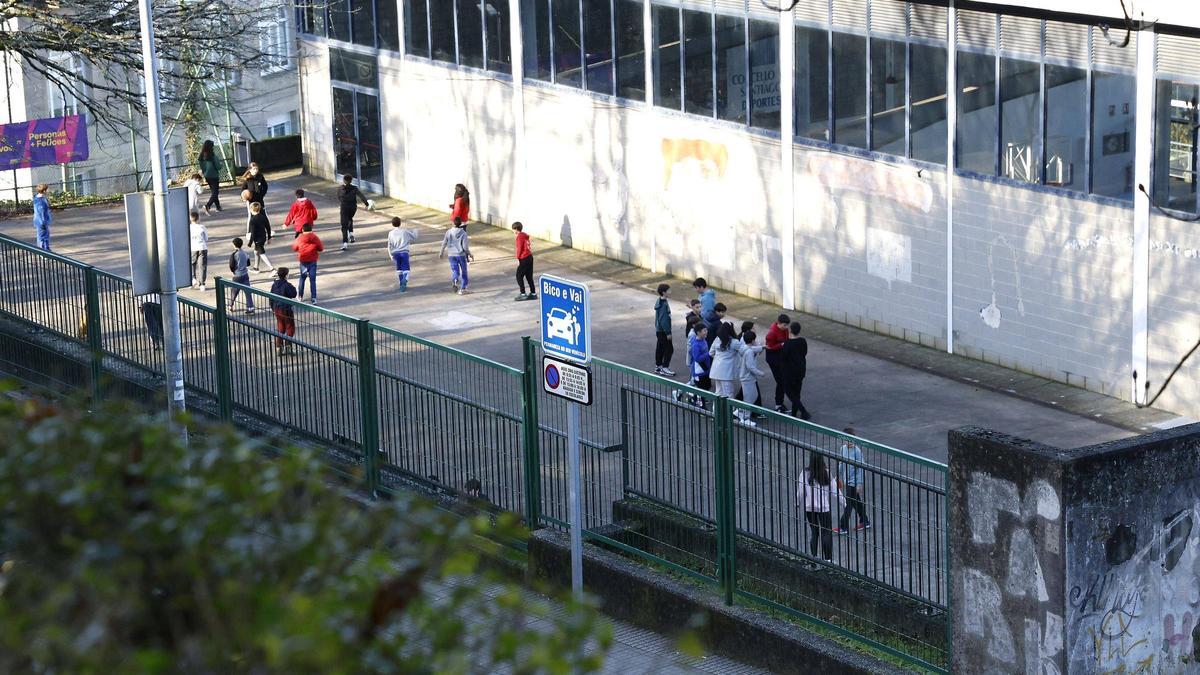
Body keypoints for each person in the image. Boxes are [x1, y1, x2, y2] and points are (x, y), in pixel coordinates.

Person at [797, 452, 844, 563]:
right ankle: (828, 559)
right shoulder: (826, 473)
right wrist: (845, 504)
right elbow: (835, 492)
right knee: (826, 532)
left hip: (809, 507)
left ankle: (814, 557)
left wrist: (797, 503)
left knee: (814, 532)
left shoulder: (804, 473)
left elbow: (800, 491)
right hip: (823, 507)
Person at [709, 324, 753, 426]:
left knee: (718, 393)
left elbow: (711, 353)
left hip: (716, 371)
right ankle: (729, 416)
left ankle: (716, 414)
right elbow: (745, 350)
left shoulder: (717, 340)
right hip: (726, 373)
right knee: (729, 395)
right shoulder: (734, 342)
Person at [835, 428, 871, 534]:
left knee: (849, 504)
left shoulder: (857, 451)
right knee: (856, 502)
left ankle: (843, 526)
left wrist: (859, 483)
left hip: (853, 481)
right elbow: (841, 463)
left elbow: (861, 468)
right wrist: (838, 475)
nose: (848, 442)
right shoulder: (843, 448)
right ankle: (865, 521)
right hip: (847, 480)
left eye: (850, 439)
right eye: (846, 439)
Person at [781, 321, 812, 420]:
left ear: (790, 330)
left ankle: (803, 411)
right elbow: (804, 352)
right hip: (801, 369)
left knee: (789, 392)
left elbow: (784, 358)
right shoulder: (803, 341)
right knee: (797, 392)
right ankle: (794, 413)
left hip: (790, 372)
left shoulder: (787, 344)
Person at [439, 217, 474, 295]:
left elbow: (444, 243)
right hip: (461, 255)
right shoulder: (463, 233)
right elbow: (465, 247)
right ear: (461, 224)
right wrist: (470, 254)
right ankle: (463, 289)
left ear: (453, 223)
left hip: (451, 255)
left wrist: (441, 252)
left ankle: (455, 279)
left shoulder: (448, 232)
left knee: (455, 270)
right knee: (464, 272)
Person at [291, 223, 324, 304]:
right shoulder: (315, 237)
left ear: (302, 230)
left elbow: (294, 248)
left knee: (302, 278)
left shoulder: (299, 238)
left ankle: (300, 296)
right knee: (312, 280)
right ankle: (313, 298)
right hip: (312, 260)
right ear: (311, 229)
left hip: (303, 261)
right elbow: (321, 248)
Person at [764, 314, 790, 413]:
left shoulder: (784, 330)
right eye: (784, 325)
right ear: (778, 323)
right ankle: (778, 405)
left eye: (787, 325)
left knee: (782, 381)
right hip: (773, 360)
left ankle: (780, 403)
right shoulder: (772, 334)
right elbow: (769, 347)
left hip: (780, 358)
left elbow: (786, 339)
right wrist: (782, 345)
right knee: (781, 381)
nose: (786, 327)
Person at [269, 267, 298, 357]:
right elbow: (293, 294)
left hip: (277, 309)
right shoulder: (286, 285)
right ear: (286, 275)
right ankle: (288, 347)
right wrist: (291, 286)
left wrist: (273, 308)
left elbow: (271, 297)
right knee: (290, 327)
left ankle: (279, 347)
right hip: (286, 309)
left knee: (281, 327)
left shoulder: (274, 285)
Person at [336, 173, 370, 251]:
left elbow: (338, 197)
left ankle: (345, 243)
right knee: (350, 218)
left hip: (344, 208)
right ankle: (351, 234)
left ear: (343, 180)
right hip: (353, 208)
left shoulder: (340, 189)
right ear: (351, 181)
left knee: (344, 226)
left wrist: (342, 201)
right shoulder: (354, 188)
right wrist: (366, 203)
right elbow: (361, 196)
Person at [739, 330, 767, 419]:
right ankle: (744, 416)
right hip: (747, 378)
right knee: (749, 398)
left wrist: (763, 347)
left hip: (747, 377)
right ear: (752, 341)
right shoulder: (749, 352)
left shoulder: (745, 348)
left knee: (753, 396)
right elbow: (750, 367)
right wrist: (761, 373)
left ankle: (740, 413)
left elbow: (754, 349)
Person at [387, 216, 418, 292]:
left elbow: (389, 245)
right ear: (400, 223)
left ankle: (401, 284)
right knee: (406, 269)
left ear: (392, 224)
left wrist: (390, 255)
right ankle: (405, 280)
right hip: (404, 252)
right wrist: (415, 230)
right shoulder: (404, 231)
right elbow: (414, 237)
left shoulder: (390, 233)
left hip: (395, 254)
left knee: (399, 269)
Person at [227, 238, 255, 314]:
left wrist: (234, 271)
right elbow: (248, 263)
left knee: (234, 291)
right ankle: (250, 308)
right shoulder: (245, 253)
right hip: (245, 275)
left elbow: (231, 265)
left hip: (237, 275)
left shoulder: (234, 254)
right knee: (248, 292)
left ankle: (230, 305)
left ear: (234, 245)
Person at [653, 283, 675, 376]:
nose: (671, 292)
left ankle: (658, 366)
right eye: (669, 290)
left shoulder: (660, 302)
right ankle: (665, 367)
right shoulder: (663, 305)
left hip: (659, 330)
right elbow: (664, 320)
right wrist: (668, 332)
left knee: (660, 348)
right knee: (669, 349)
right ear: (664, 292)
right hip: (663, 331)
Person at [246, 202, 273, 272]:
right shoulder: (263, 217)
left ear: (251, 210)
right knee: (256, 252)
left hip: (257, 239)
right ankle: (256, 268)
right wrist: (269, 237)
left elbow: (253, 233)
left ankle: (272, 269)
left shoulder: (252, 220)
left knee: (262, 254)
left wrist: (250, 243)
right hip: (263, 237)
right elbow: (268, 227)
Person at [198, 140, 222, 213]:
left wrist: (205, 173)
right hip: (214, 175)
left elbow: (202, 167)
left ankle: (218, 207)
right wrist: (221, 165)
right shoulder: (213, 156)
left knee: (213, 192)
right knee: (215, 192)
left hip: (207, 176)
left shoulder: (201, 157)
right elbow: (218, 167)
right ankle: (208, 205)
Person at [513, 221, 535, 300]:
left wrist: (518, 258)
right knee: (529, 276)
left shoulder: (519, 237)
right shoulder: (524, 236)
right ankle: (533, 293)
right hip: (530, 257)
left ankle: (523, 293)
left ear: (516, 229)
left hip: (524, 258)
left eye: (513, 229)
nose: (513, 231)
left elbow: (519, 249)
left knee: (519, 276)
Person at [189, 211, 208, 291]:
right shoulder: (202, 227)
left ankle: (193, 279)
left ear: (190, 218)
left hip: (192, 247)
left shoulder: (189, 227)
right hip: (202, 247)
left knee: (192, 264)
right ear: (198, 218)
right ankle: (202, 284)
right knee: (202, 266)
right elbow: (206, 238)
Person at [32, 183, 52, 251]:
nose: (48, 191)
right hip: (41, 222)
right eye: (47, 190)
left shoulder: (41, 198)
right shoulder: (40, 201)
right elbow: (40, 213)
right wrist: (42, 222)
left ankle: (46, 248)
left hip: (43, 221)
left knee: (46, 235)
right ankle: (43, 251)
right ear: (44, 191)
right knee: (42, 236)